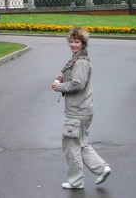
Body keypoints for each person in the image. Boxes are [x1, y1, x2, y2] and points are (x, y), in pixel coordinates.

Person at [51, 26, 111, 189]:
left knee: (71, 146)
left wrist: (60, 86)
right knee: (81, 143)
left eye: (76, 41)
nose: (73, 44)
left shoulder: (81, 62)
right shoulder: (78, 61)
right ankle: (101, 169)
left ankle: (76, 181)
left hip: (77, 111)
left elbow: (78, 84)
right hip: (82, 110)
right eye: (71, 41)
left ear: (83, 44)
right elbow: (76, 78)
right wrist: (63, 77)